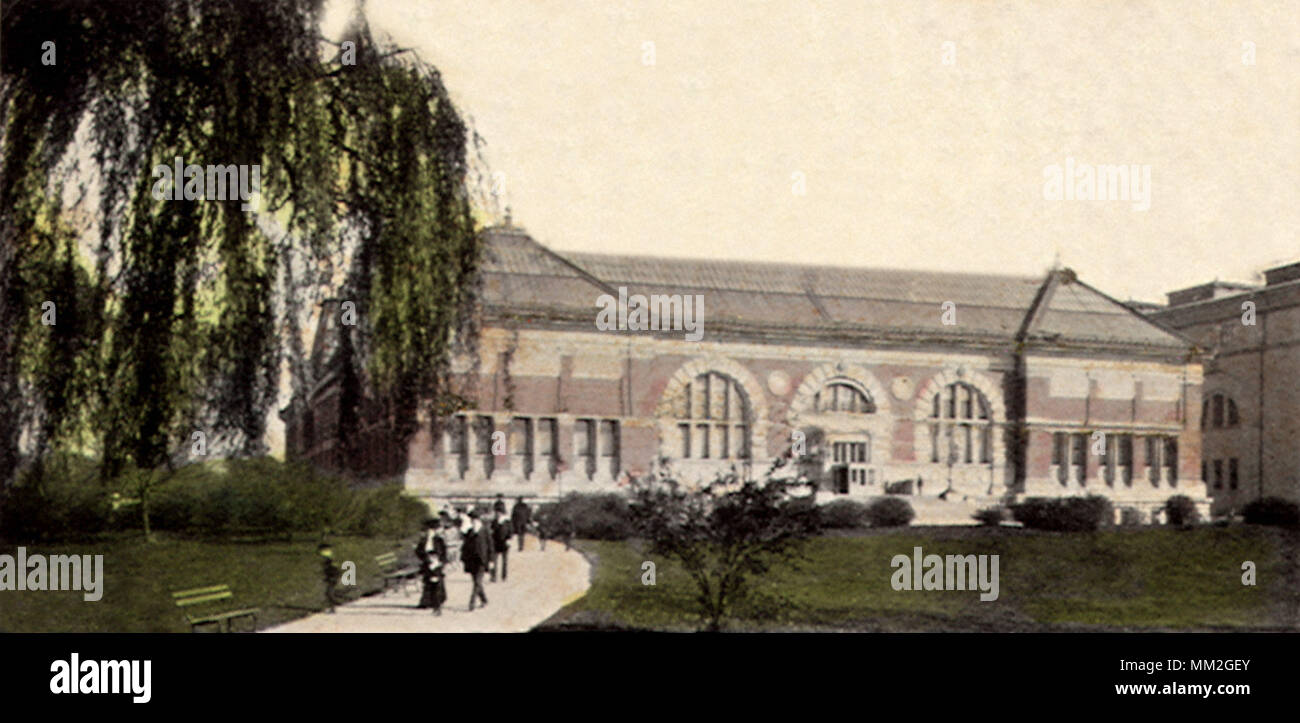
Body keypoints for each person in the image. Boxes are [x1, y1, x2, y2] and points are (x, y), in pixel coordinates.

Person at [415, 519, 448, 615]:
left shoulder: (439, 540)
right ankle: (428, 602)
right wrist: (425, 558)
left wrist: (440, 562)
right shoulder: (424, 540)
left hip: (436, 566)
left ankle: (437, 606)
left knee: (436, 585)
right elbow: (418, 551)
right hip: (427, 565)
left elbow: (444, 553)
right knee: (429, 584)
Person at [461, 510, 491, 610]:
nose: (474, 522)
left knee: (477, 582)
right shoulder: (470, 531)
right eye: (472, 520)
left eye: (475, 520)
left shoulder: (485, 530)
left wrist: (491, 561)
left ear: (479, 521)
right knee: (476, 582)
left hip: (482, 560)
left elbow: (491, 546)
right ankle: (484, 600)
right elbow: (466, 546)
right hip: (472, 560)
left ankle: (472, 602)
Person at [318, 542, 343, 614]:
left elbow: (333, 569)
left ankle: (332, 608)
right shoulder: (330, 557)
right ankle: (331, 607)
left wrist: (331, 577)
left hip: (332, 578)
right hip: (332, 577)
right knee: (329, 593)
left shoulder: (329, 559)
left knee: (329, 593)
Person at [490, 510, 511, 582]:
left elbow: (510, 531)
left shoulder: (507, 522)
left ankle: (504, 576)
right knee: (493, 560)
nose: (497, 514)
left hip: (504, 543)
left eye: (499, 513)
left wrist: (509, 539)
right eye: (496, 513)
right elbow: (491, 531)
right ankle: (493, 576)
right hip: (495, 543)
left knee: (504, 561)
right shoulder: (494, 522)